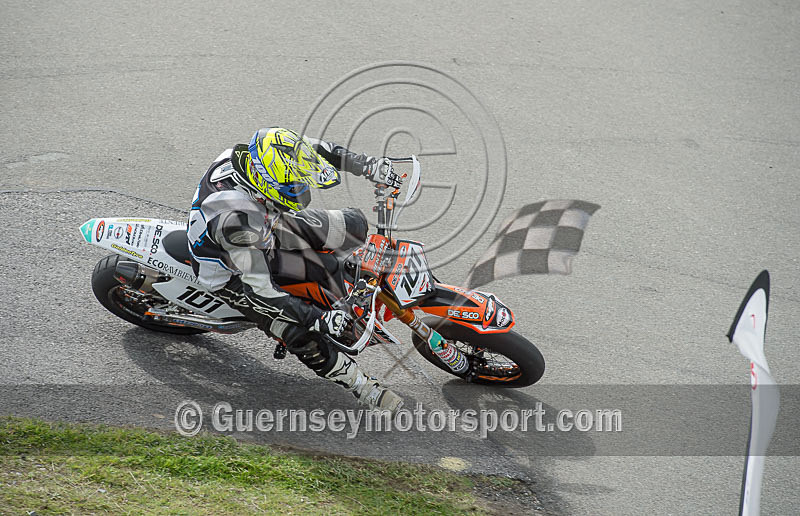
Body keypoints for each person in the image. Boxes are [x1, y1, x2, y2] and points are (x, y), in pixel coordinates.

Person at [187, 127, 404, 413]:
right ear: (264, 184)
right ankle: (361, 386)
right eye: (290, 185)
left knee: (354, 225)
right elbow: (261, 292)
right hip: (232, 270)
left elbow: (317, 149)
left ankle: (338, 283)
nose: (301, 189)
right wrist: (319, 319)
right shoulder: (235, 221)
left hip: (266, 224)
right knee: (299, 332)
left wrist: (366, 165)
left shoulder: (261, 158)